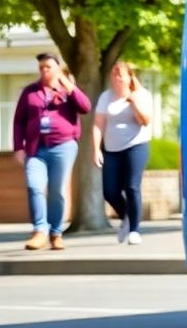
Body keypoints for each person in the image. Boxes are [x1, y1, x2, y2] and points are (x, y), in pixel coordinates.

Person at [12, 53, 92, 251]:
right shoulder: (30, 91)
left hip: (63, 146)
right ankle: (40, 230)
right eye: (41, 68)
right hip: (35, 148)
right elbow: (19, 121)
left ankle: (56, 233)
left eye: (48, 67)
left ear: (57, 68)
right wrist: (18, 147)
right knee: (34, 186)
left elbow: (85, 107)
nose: (44, 71)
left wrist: (67, 84)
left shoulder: (68, 91)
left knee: (56, 191)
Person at [93, 61, 154, 245]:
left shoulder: (141, 95)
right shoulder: (106, 97)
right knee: (110, 192)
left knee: (132, 187)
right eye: (114, 74)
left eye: (120, 74)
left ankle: (134, 230)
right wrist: (96, 149)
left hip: (136, 145)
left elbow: (145, 121)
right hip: (112, 149)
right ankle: (127, 216)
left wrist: (133, 102)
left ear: (129, 77)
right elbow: (98, 124)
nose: (117, 78)